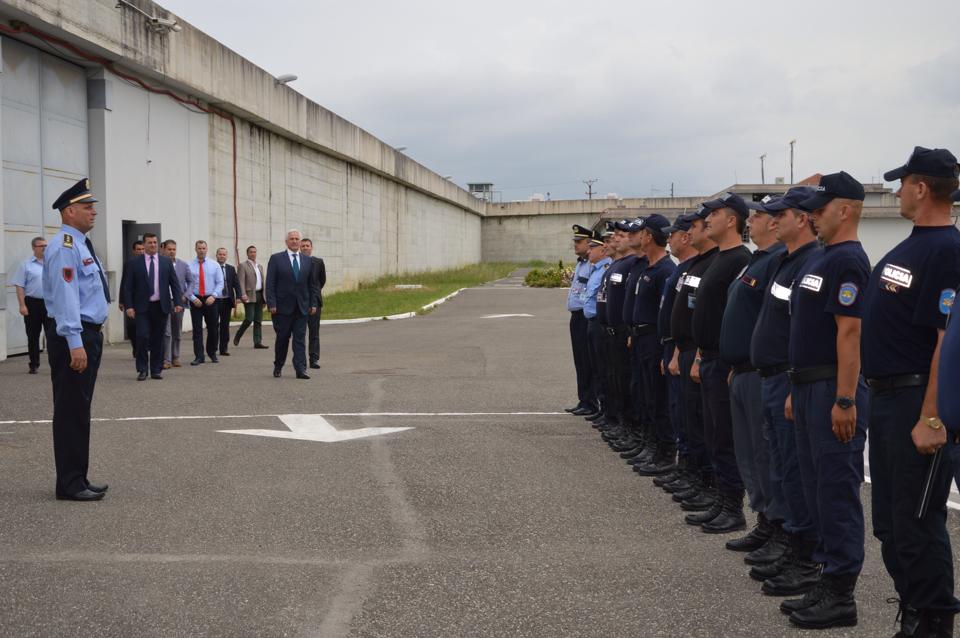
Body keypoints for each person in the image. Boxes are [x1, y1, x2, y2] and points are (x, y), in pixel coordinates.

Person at [861, 147, 960, 636]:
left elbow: (946, 339)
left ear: (921, 188)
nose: (897, 191)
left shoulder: (946, 250)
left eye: (902, 183)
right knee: (890, 524)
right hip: (886, 399)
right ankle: (915, 611)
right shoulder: (911, 247)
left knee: (917, 522)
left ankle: (933, 622)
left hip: (915, 402)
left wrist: (932, 416)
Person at [783, 171, 870, 629]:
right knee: (816, 487)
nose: (813, 216)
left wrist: (845, 399)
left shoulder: (849, 261)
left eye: (820, 209)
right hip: (807, 387)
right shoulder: (822, 259)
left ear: (845, 209)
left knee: (836, 490)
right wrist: (795, 388)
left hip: (831, 388)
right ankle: (825, 573)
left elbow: (849, 333)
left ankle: (841, 592)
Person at [744, 187, 822, 604]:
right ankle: (789, 541)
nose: (774, 221)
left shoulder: (811, 262)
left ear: (803, 219)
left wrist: (793, 383)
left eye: (783, 214)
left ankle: (804, 556)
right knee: (780, 468)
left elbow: (806, 332)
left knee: (794, 471)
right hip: (772, 378)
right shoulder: (785, 261)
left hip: (789, 380)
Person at [720, 197, 786, 552]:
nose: (751, 222)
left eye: (757, 216)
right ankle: (763, 518)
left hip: (761, 373)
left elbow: (773, 321)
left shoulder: (776, 261)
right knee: (748, 453)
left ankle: (777, 526)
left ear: (774, 223)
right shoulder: (756, 260)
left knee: (765, 455)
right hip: (742, 371)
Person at [41, 177, 109, 501]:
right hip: (75, 335)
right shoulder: (65, 247)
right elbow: (66, 296)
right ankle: (69, 484)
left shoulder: (80, 244)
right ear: (69, 211)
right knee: (71, 411)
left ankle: (78, 477)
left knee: (79, 410)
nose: (93, 211)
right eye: (87, 206)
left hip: (87, 334)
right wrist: (75, 342)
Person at [688, 193, 752, 534]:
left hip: (725, 361)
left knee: (726, 437)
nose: (708, 219)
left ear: (732, 221)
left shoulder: (740, 259)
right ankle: (720, 497)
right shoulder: (718, 258)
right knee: (713, 433)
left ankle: (732, 506)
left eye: (715, 214)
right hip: (709, 358)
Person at [668, 208, 719, 518]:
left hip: (701, 353)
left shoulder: (719, 263)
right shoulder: (696, 265)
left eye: (698, 226)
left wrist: (697, 355)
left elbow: (710, 318)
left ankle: (708, 484)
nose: (690, 233)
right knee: (689, 418)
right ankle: (694, 474)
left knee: (704, 423)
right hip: (685, 349)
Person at [626, 214, 677, 476]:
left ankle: (664, 451)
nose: (641, 236)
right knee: (646, 395)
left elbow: (664, 313)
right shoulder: (648, 267)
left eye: (644, 232)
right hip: (641, 338)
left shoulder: (665, 270)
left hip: (654, 339)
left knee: (658, 398)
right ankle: (650, 443)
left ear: (650, 236)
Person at [653, 212, 698, 494]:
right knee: (677, 410)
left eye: (673, 235)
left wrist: (677, 351)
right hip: (672, 345)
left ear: (685, 237)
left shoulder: (691, 268)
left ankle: (693, 473)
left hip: (686, 348)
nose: (669, 240)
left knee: (688, 415)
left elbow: (693, 317)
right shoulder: (682, 269)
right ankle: (684, 468)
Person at [122, 233, 182, 380]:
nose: (153, 245)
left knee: (158, 339)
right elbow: (127, 287)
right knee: (142, 336)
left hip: (160, 306)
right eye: (150, 242)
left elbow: (174, 283)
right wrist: (129, 306)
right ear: (144, 244)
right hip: (141, 307)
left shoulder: (166, 262)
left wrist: (178, 303)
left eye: (155, 242)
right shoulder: (133, 263)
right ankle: (142, 369)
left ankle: (156, 369)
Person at [266, 229, 318, 379]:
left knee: (300, 339)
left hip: (302, 307)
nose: (294, 241)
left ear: (300, 242)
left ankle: (300, 369)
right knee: (282, 339)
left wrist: (313, 303)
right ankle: (278, 365)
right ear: (286, 242)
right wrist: (272, 303)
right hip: (282, 308)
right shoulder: (276, 259)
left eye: (297, 239)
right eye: (292, 239)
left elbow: (312, 285)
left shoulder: (307, 260)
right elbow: (270, 283)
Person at [582, 229, 614, 425]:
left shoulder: (606, 269)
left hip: (600, 323)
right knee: (596, 368)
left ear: (602, 250)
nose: (588, 251)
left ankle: (608, 411)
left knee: (604, 369)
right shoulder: (595, 269)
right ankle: (603, 408)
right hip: (591, 322)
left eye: (592, 247)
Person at [564, 225, 597, 415]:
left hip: (586, 317)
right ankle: (584, 399)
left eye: (579, 241)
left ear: (589, 243)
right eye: (575, 241)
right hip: (576, 316)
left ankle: (591, 402)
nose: (575, 245)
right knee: (580, 360)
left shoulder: (593, 264)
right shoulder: (581, 264)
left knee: (588, 360)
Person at [12, 236, 48, 374]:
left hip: (50, 304)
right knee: (33, 335)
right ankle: (34, 364)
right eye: (41, 246)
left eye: (46, 245)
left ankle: (56, 365)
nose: (44, 248)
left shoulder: (52, 264)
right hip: (32, 303)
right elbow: (20, 286)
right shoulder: (26, 265)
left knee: (53, 335)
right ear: (34, 248)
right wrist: (22, 305)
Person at [186, 240, 224, 365]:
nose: (201, 250)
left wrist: (214, 296)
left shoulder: (214, 265)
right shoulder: (189, 265)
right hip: (196, 299)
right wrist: (192, 298)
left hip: (211, 299)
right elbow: (185, 284)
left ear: (206, 249)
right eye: (199, 248)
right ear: (195, 249)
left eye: (203, 248)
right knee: (197, 330)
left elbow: (220, 283)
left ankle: (212, 352)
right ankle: (199, 356)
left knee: (213, 328)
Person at [161, 240, 193, 368]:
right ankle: (166, 359)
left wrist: (186, 296)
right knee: (166, 331)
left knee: (177, 331)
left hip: (178, 302)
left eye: (174, 249)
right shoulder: (159, 264)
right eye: (169, 249)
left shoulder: (183, 265)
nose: (172, 252)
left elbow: (191, 282)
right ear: (163, 249)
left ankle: (176, 356)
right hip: (164, 301)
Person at [235, 245, 269, 349]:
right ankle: (238, 335)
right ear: (247, 253)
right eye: (251, 252)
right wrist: (242, 294)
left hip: (259, 295)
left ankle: (257, 342)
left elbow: (262, 282)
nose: (253, 254)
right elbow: (240, 281)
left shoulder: (259, 266)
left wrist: (265, 297)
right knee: (249, 318)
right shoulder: (242, 266)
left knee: (258, 320)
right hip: (249, 295)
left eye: (254, 252)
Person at [300, 238, 327, 369]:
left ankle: (314, 359)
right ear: (300, 248)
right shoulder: (296, 261)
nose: (305, 248)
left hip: (315, 302)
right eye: (303, 246)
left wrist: (314, 295)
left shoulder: (318, 262)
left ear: (311, 248)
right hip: (299, 302)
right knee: (299, 332)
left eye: (307, 245)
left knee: (314, 332)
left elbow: (322, 280)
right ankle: (300, 359)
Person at [214, 247, 241, 356]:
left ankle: (223, 348)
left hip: (227, 301)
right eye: (220, 254)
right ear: (216, 255)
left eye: (224, 254)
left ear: (226, 256)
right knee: (214, 325)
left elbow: (236, 284)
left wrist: (238, 296)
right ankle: (213, 348)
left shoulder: (231, 269)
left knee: (225, 326)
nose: (222, 256)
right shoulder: (212, 267)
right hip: (215, 300)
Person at [119, 239, 144, 358]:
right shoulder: (129, 263)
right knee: (132, 326)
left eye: (142, 249)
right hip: (131, 300)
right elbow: (124, 282)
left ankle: (142, 348)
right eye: (138, 249)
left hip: (145, 300)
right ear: (134, 251)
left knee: (144, 326)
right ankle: (136, 347)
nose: (141, 251)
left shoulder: (150, 263)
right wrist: (121, 300)